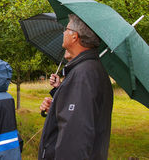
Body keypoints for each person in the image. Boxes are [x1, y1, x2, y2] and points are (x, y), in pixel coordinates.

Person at [38, 14, 113, 159]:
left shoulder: (83, 75)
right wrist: (56, 107)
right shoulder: (88, 70)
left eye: (66, 29)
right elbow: (79, 115)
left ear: (74, 37)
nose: (63, 33)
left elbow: (74, 138)